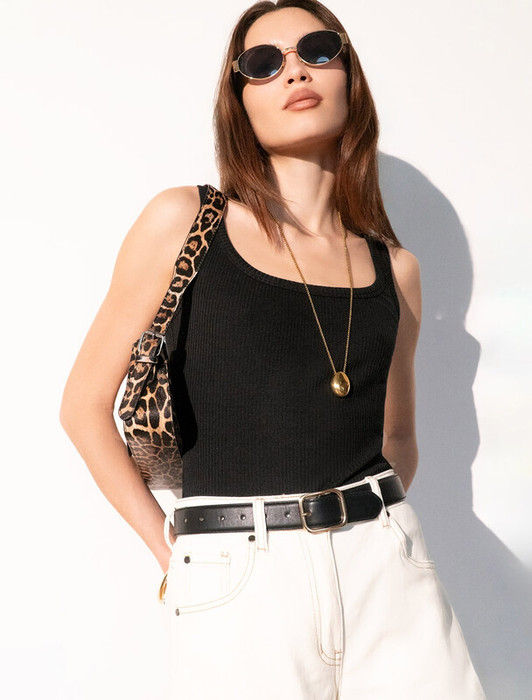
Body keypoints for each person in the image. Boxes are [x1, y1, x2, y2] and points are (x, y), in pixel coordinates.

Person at [60, 1, 486, 697]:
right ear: (240, 104)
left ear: (349, 76)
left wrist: (374, 539)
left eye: (317, 50)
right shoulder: (184, 223)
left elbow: (398, 438)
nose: (295, 72)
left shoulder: (396, 269)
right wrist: (176, 553)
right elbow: (82, 407)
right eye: (264, 63)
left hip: (388, 573)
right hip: (239, 580)